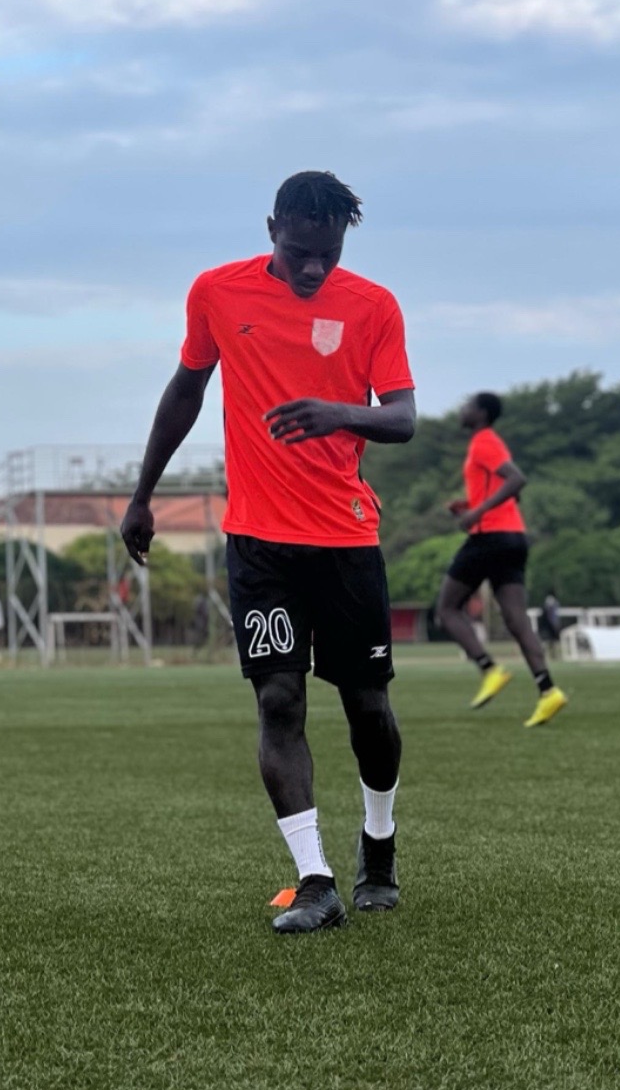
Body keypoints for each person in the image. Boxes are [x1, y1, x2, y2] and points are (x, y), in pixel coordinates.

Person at [119, 171, 416, 934]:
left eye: (328, 253)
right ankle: (315, 880)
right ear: (271, 229)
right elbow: (186, 390)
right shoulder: (217, 292)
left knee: (367, 707)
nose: (314, 267)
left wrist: (338, 413)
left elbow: (403, 418)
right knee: (278, 699)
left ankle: (378, 842)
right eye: (299, 251)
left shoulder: (374, 306)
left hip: (346, 538)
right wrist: (143, 494)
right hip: (258, 543)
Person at [435, 392, 567, 728]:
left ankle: (489, 669)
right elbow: (512, 493)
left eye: (468, 405)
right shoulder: (490, 443)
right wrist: (468, 505)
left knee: (447, 609)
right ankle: (548, 691)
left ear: (481, 413)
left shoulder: (484, 441)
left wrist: (477, 512)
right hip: (513, 538)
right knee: (516, 619)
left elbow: (517, 479)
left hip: (490, 538)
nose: (462, 409)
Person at [540, 590, 562, 659]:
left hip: (549, 624)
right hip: (550, 625)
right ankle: (551, 655)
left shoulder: (549, 602)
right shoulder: (553, 602)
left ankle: (551, 655)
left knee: (550, 641)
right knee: (549, 641)